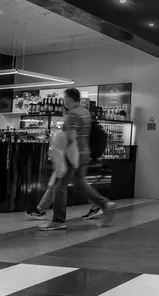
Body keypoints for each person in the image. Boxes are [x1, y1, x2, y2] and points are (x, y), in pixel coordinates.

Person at [39, 88, 115, 231]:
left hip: (73, 155)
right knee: (80, 184)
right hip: (85, 153)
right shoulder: (85, 112)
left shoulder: (72, 115)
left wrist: (59, 151)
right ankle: (105, 204)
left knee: (60, 186)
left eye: (64, 99)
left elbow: (71, 138)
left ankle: (58, 220)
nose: (63, 102)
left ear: (69, 98)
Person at [25, 128, 79, 219]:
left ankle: (54, 216)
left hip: (69, 161)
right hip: (71, 160)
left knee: (59, 185)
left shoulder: (72, 127)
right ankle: (42, 209)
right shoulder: (75, 127)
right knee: (75, 184)